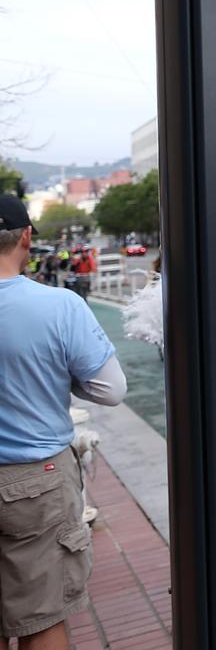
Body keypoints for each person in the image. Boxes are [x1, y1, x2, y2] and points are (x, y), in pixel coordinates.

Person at [0, 196, 127, 649]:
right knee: (42, 616)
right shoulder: (59, 306)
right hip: (36, 482)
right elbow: (111, 390)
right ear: (27, 237)